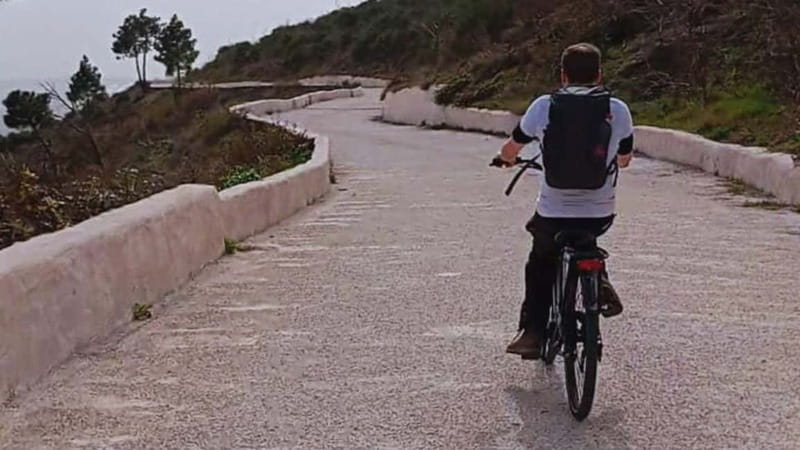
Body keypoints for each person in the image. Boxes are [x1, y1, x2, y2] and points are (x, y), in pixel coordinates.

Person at [493, 43, 634, 359]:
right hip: (599, 211)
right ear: (599, 74)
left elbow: (512, 147)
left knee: (541, 259)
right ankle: (598, 277)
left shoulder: (544, 106)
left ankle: (532, 333)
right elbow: (624, 159)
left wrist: (504, 160)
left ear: (563, 75)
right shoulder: (619, 110)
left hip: (553, 211)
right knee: (589, 236)